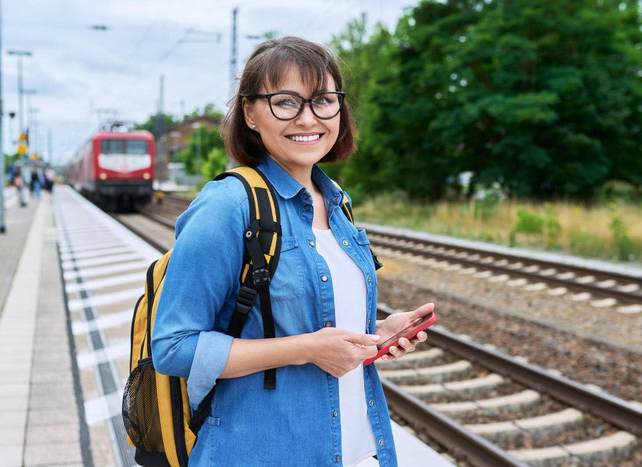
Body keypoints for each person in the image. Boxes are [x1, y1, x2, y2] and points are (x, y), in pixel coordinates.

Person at [152, 37, 434, 467]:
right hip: (262, 452)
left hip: (358, 451)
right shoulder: (227, 205)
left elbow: (300, 317)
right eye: (286, 101)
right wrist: (307, 349)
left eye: (323, 100)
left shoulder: (337, 200)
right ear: (249, 112)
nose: (308, 118)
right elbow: (173, 346)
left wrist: (375, 333)